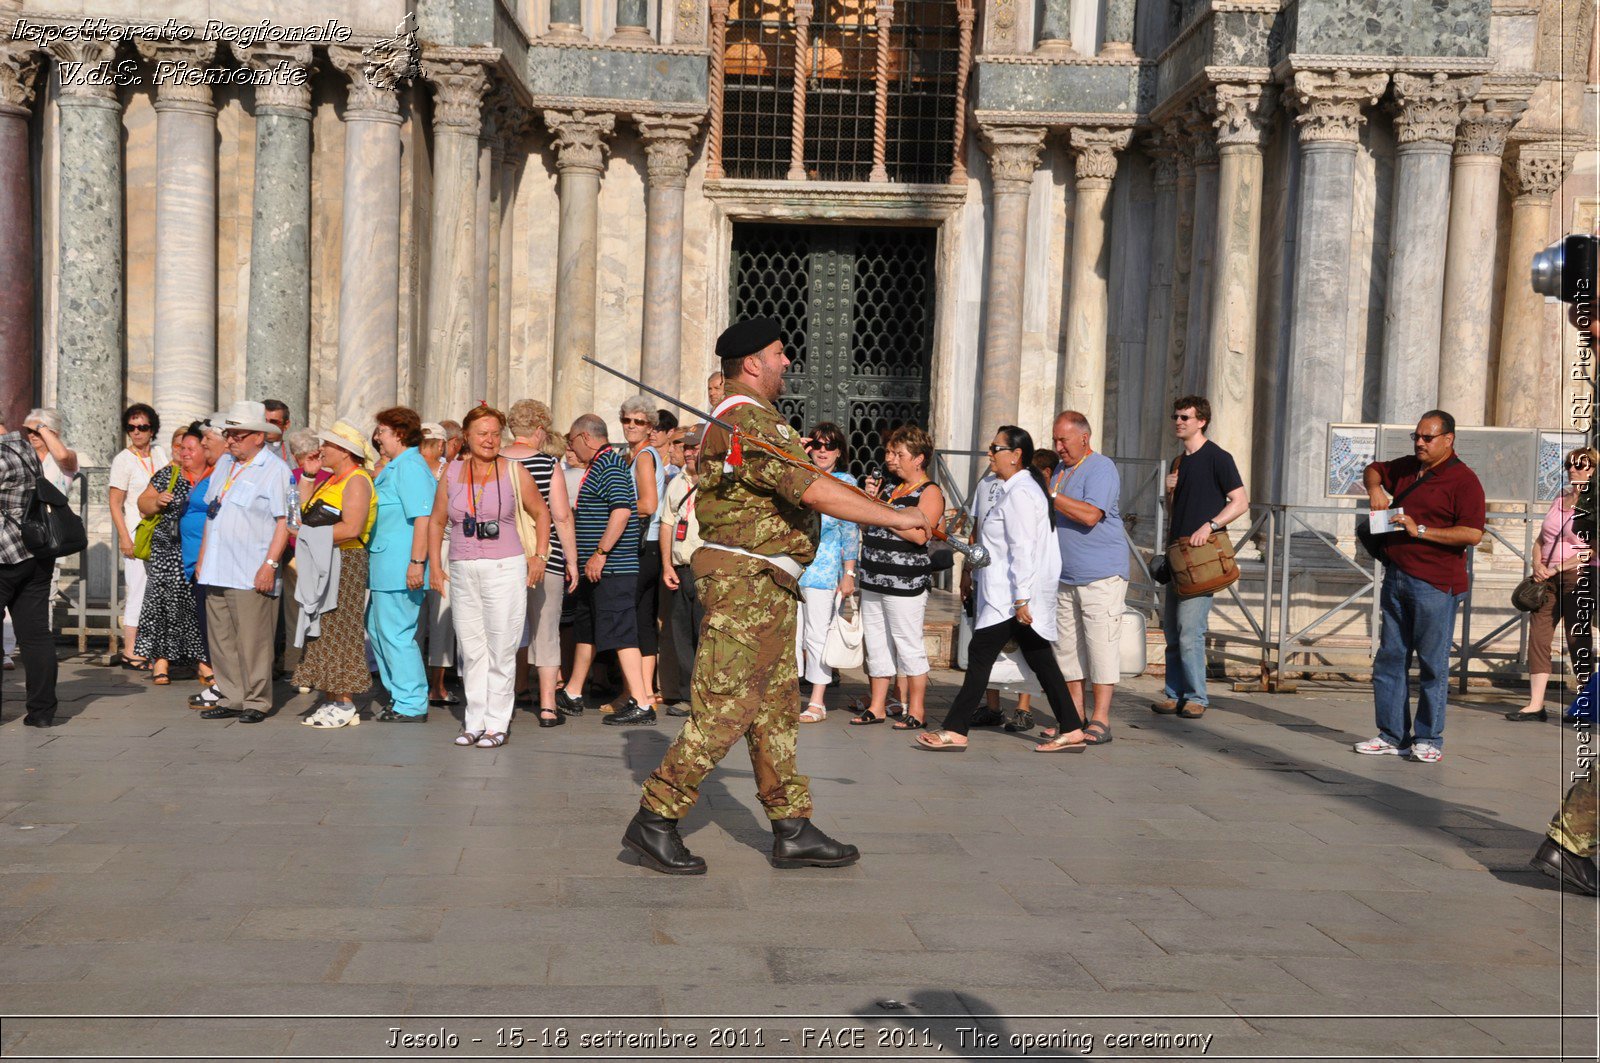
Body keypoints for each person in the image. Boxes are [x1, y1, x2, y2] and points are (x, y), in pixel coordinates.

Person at [624, 318, 931, 874]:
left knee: (774, 711)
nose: (788, 363)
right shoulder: (749, 421)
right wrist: (897, 517)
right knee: (725, 708)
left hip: (766, 582)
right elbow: (811, 488)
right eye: (779, 354)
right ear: (752, 364)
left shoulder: (748, 421)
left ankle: (791, 827)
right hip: (748, 582)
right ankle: (655, 818)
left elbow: (811, 482)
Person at [917, 427, 1088, 752]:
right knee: (1041, 660)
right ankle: (1072, 727)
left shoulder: (1022, 493)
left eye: (996, 447)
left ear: (1016, 454)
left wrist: (1022, 597)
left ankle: (955, 729)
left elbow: (1023, 549)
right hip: (1008, 596)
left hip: (1011, 599)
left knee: (981, 656)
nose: (990, 453)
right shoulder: (1016, 489)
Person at [1354, 410, 1486, 763]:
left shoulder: (1464, 480)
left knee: (1432, 663)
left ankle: (1429, 738)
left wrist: (1422, 530)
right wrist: (1375, 489)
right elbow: (1374, 469)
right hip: (1396, 576)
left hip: (1436, 584)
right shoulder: (1408, 467)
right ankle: (1392, 735)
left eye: (1428, 438)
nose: (1420, 443)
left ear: (1448, 439)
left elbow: (1473, 533)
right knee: (1390, 659)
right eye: (1416, 436)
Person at [426, 405, 551, 748]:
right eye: (482, 433)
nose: (490, 440)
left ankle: (497, 723)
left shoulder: (514, 470)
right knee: (471, 647)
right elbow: (437, 521)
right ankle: (474, 720)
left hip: (504, 567)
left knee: (501, 645)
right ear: (466, 436)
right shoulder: (452, 471)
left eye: (496, 433)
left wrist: (540, 555)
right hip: (462, 567)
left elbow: (542, 513)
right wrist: (435, 567)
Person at [195, 401, 292, 724]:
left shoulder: (275, 470)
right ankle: (232, 694)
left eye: (237, 434)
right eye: (229, 433)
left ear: (259, 437)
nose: (231, 439)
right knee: (221, 638)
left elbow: (285, 522)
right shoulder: (225, 464)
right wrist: (203, 557)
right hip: (218, 565)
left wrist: (270, 564)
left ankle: (257, 699)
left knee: (254, 639)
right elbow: (213, 514)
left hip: (251, 568)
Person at [1153, 395, 1249, 720]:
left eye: (1185, 417)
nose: (1178, 422)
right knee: (1171, 633)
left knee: (1189, 631)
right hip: (1177, 556)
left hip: (1203, 559)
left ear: (1201, 421)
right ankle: (1172, 693)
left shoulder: (1218, 458)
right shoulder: (1178, 462)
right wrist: (1169, 493)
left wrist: (1210, 525)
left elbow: (1240, 501)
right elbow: (1174, 513)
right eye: (1176, 416)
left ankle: (1197, 696)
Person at [560, 413, 651, 723]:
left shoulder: (609, 465)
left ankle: (642, 701)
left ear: (586, 438)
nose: (570, 449)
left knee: (621, 634)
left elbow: (623, 511)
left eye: (571, 442)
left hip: (613, 569)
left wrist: (600, 553)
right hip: (596, 570)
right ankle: (572, 691)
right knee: (588, 630)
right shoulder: (598, 465)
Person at [852, 424, 943, 729]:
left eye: (898, 453)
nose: (890, 458)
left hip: (905, 582)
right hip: (874, 577)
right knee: (876, 643)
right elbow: (868, 526)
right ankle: (877, 705)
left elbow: (920, 535)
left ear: (918, 458)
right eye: (889, 452)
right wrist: (871, 503)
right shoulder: (890, 489)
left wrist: (882, 511)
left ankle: (916, 710)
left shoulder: (929, 492)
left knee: (907, 644)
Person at [1047, 410, 1127, 746]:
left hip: (1101, 574)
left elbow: (1091, 514)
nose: (1058, 446)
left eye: (1063, 440)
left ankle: (1101, 718)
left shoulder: (1101, 467)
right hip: (1065, 576)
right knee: (1068, 650)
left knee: (1100, 646)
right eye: (1055, 440)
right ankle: (1074, 717)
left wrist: (1050, 496)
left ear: (1084, 437)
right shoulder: (1060, 471)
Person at [291, 421, 377, 728]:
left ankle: (345, 701)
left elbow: (352, 527)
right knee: (323, 629)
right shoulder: (330, 480)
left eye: (327, 445)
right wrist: (310, 477)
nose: (321, 449)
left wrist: (309, 536)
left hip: (345, 559)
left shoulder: (356, 480)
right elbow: (304, 512)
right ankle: (331, 697)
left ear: (344, 451)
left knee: (340, 627)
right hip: (325, 557)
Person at [504, 399, 580, 727]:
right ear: (538, 430)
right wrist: (572, 561)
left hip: (502, 559)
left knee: (502, 631)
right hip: (543, 557)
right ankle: (548, 706)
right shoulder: (548, 465)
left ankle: (500, 702)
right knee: (546, 631)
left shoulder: (492, 462)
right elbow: (561, 516)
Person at [1508, 446, 1597, 721]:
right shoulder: (1560, 498)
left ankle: (1586, 701)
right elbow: (1541, 539)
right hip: (1546, 577)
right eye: (1569, 465)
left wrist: (1559, 566)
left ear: (1592, 470)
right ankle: (1536, 704)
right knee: (1539, 636)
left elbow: (1592, 549)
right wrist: (1537, 564)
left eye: (1580, 465)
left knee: (1576, 636)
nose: (1573, 469)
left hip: (1578, 575)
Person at [367, 407, 438, 724]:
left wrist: (417, 562)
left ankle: (411, 701)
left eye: (381, 430)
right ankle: (400, 694)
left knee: (396, 633)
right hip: (386, 565)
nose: (377, 436)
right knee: (379, 630)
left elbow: (423, 517)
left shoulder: (410, 466)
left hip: (401, 565)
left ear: (398, 432)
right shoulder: (396, 466)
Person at [133, 423, 212, 686]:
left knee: (196, 605)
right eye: (181, 447)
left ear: (204, 450)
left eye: (190, 448)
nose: (184, 452)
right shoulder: (169, 474)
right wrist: (157, 502)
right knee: (163, 605)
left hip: (200, 551)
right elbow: (143, 503)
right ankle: (161, 660)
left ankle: (203, 662)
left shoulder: (215, 476)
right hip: (167, 550)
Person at [795, 422, 859, 723]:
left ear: (839, 452)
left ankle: (817, 700)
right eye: (817, 445)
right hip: (794, 568)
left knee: (817, 635)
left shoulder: (845, 482)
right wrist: (798, 451)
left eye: (829, 446)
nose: (822, 451)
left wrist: (849, 573)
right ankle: (788, 693)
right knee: (791, 635)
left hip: (824, 569)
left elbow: (850, 530)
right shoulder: (799, 473)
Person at [0, 425, 61, 726]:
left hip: (4, 554)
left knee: (34, 635)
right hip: (35, 552)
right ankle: (42, 713)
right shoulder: (25, 449)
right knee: (36, 635)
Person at [109, 402, 168, 669]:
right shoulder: (123, 459)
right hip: (136, 531)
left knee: (158, 591)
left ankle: (152, 647)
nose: (137, 432)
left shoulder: (160, 453)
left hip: (161, 531)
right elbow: (114, 502)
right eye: (132, 427)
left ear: (152, 429)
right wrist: (124, 537)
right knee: (138, 589)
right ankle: (130, 649)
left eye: (142, 427)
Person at [658, 425, 706, 718]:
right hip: (681, 568)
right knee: (681, 634)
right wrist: (666, 564)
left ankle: (706, 696)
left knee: (706, 635)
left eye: (695, 447)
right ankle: (688, 695)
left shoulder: (720, 482)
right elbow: (667, 524)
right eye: (686, 447)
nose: (688, 452)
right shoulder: (677, 482)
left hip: (708, 570)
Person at [621, 395, 665, 711]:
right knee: (643, 619)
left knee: (631, 620)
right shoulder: (638, 455)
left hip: (642, 545)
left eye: (639, 421)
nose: (632, 426)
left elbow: (648, 504)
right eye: (627, 420)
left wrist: (616, 510)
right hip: (649, 547)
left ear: (650, 426)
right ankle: (645, 692)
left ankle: (636, 694)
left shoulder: (645, 457)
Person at [417, 422, 459, 705]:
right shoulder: (416, 470)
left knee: (437, 617)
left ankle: (435, 685)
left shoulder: (447, 472)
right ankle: (427, 684)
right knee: (424, 618)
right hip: (431, 548)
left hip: (439, 547)